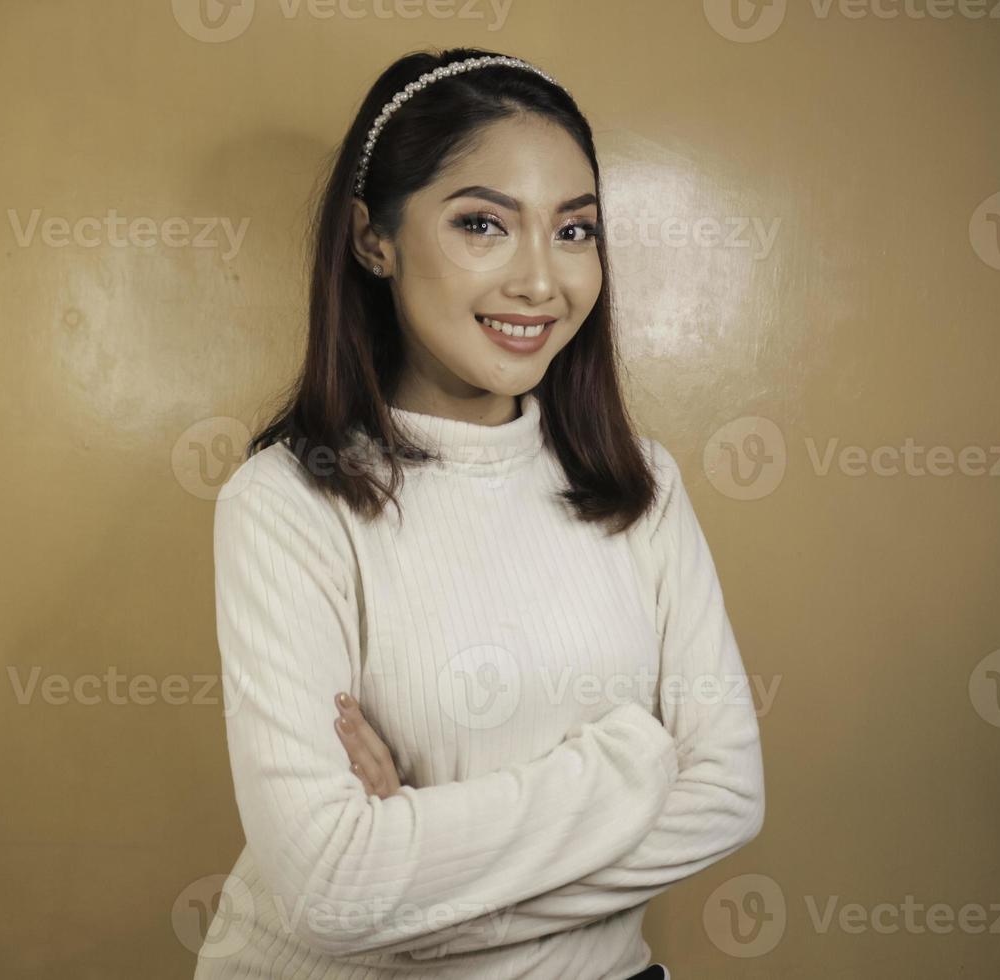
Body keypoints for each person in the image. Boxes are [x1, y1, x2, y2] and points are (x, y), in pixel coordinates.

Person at [196, 46, 764, 980]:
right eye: (481, 224)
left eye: (574, 232)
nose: (542, 282)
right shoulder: (288, 501)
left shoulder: (641, 484)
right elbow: (330, 888)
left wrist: (411, 866)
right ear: (371, 239)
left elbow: (729, 794)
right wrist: (633, 762)